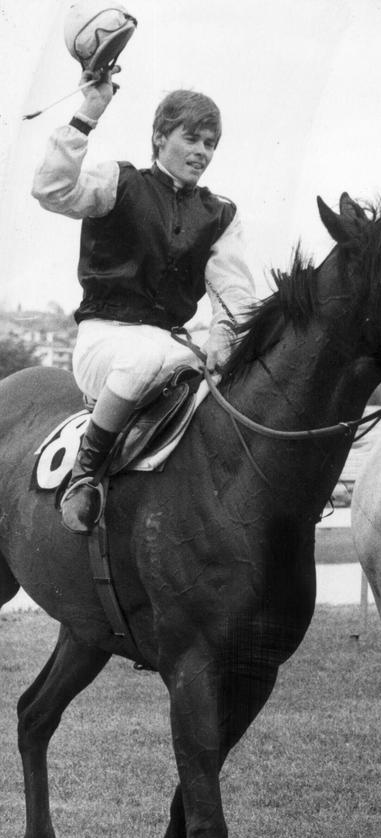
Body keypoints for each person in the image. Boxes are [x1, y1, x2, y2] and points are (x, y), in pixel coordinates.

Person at [32, 70, 256, 534]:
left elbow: (234, 292)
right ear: (159, 138)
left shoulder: (220, 214)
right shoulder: (119, 182)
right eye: (191, 139)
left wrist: (222, 335)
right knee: (145, 355)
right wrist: (87, 114)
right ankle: (84, 476)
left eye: (210, 143)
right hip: (105, 341)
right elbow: (52, 191)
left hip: (171, 345)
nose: (202, 152)